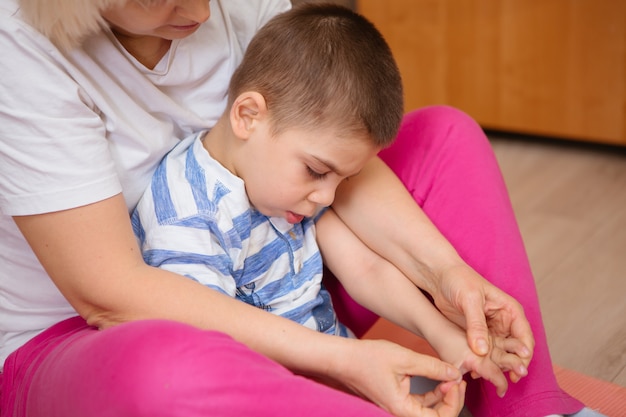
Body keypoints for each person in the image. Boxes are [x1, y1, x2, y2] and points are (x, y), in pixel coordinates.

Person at [0, 0, 595, 416]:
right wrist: (348, 360)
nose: (204, 12)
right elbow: (112, 294)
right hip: (96, 334)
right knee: (168, 372)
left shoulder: (296, 191)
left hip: (281, 285)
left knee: (446, 136)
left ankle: (532, 406)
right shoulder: (21, 47)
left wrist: (446, 282)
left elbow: (350, 232)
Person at [130, 7, 532, 416]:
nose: (327, 196)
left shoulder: (282, 190)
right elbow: (213, 347)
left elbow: (365, 269)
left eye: (341, 179)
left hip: (336, 365)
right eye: (317, 171)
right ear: (248, 117)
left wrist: (446, 336)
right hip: (267, 390)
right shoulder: (186, 215)